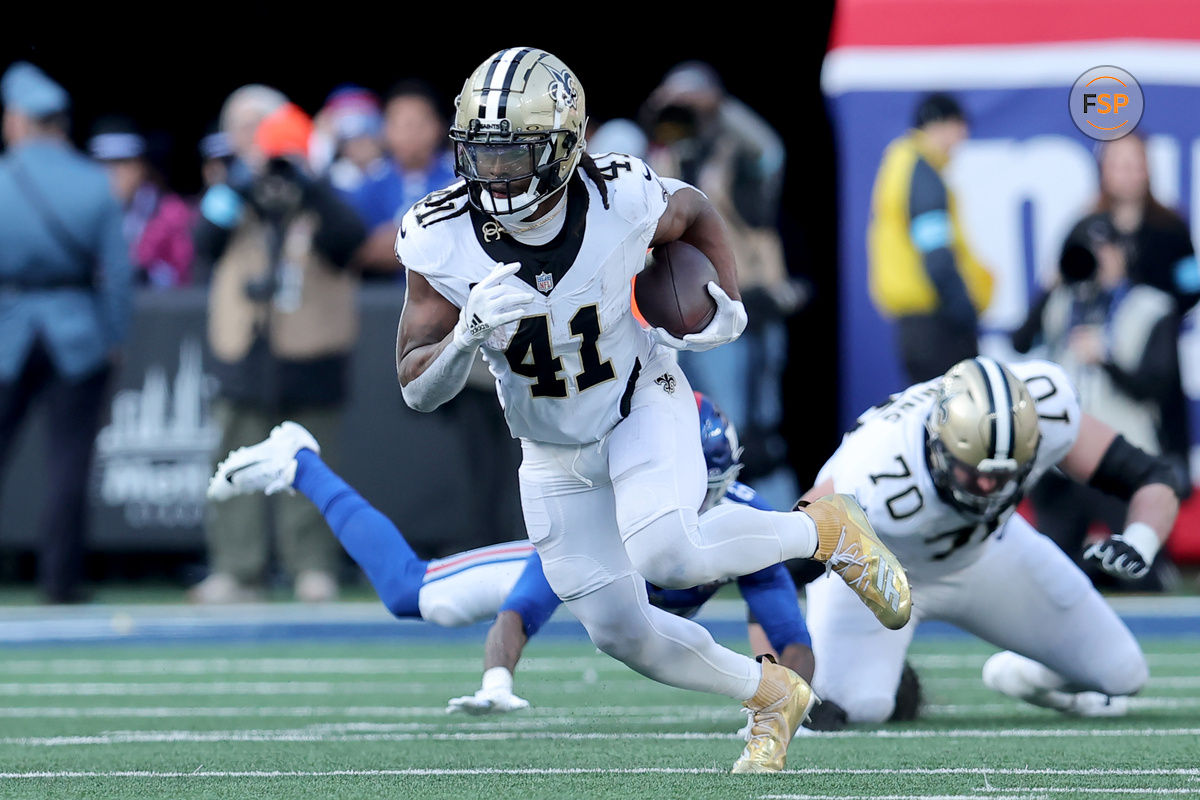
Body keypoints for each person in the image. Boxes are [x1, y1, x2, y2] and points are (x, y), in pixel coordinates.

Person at [392, 47, 910, 773]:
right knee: (620, 631)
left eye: (515, 154)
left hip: (640, 398)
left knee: (666, 550)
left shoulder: (620, 196)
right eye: (482, 153)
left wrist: (725, 305)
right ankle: (768, 693)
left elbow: (696, 210)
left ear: (566, 146)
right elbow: (418, 388)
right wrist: (465, 335)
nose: (495, 173)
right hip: (547, 446)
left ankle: (823, 530)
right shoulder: (436, 232)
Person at [209, 394, 854, 723]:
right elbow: (522, 610)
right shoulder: (608, 509)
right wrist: (498, 682)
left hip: (626, 613)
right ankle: (299, 461)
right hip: (578, 562)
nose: (695, 498)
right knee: (416, 597)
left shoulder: (735, 520)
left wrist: (786, 701)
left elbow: (790, 633)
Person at [802, 356, 1179, 723]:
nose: (987, 487)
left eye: (1004, 475)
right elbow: (778, 557)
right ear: (940, 445)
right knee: (855, 708)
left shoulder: (1043, 408)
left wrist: (1140, 541)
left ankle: (1021, 676)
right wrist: (781, 667)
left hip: (987, 553)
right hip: (873, 576)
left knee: (1123, 673)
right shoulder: (877, 468)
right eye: (974, 472)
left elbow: (1153, 475)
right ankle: (884, 679)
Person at [191, 88, 367, 604]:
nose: (252, 139)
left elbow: (348, 240)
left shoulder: (322, 181)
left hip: (311, 346)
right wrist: (241, 185)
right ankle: (236, 568)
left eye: (260, 127)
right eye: (242, 129)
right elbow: (203, 243)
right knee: (236, 454)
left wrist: (305, 181)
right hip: (245, 345)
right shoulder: (230, 186)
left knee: (311, 458)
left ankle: (311, 565)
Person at [0, 62, 134, 604]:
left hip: (7, 331)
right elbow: (118, 277)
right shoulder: (93, 183)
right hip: (76, 334)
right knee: (69, 462)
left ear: (21, 120)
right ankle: (59, 581)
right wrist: (114, 335)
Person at [642, 62, 804, 506]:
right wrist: (665, 106)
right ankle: (705, 524)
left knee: (753, 432)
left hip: (739, 313)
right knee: (692, 424)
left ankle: (775, 533)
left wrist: (714, 104)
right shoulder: (662, 159)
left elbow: (770, 148)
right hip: (675, 318)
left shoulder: (743, 158)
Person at [1014, 217, 1184, 588]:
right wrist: (1049, 284)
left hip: (1121, 457)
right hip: (1063, 459)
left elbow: (1157, 386)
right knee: (1049, 576)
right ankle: (1091, 570)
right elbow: (1020, 341)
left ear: (1123, 253)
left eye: (1106, 249)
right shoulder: (1064, 300)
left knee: (1141, 574)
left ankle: (1117, 571)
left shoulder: (1151, 306)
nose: (1098, 258)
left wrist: (1106, 360)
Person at [868, 93, 994, 383]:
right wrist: (964, 310)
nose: (962, 139)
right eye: (960, 128)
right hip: (936, 324)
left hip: (916, 323)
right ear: (941, 124)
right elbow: (936, 251)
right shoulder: (921, 172)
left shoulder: (900, 164)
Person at [347, 81, 456, 273]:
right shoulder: (370, 183)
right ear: (385, 130)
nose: (411, 133)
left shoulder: (459, 179)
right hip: (382, 295)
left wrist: (396, 241)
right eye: (403, 124)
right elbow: (356, 249)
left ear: (438, 127)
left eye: (420, 123)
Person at [88, 117, 195, 288]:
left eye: (123, 164)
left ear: (140, 167)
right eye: (105, 164)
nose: (114, 174)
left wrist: (146, 273)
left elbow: (184, 273)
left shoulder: (170, 212)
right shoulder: (81, 215)